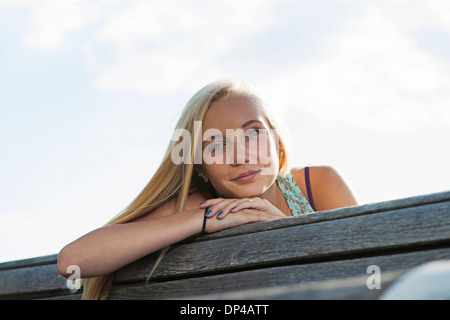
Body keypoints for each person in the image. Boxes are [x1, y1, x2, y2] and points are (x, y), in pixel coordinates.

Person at [57, 79, 358, 299]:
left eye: (252, 133)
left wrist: (283, 230)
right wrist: (206, 220)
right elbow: (73, 259)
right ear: (200, 166)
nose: (241, 156)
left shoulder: (317, 184)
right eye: (216, 145)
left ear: (276, 141)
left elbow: (372, 274)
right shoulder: (204, 205)